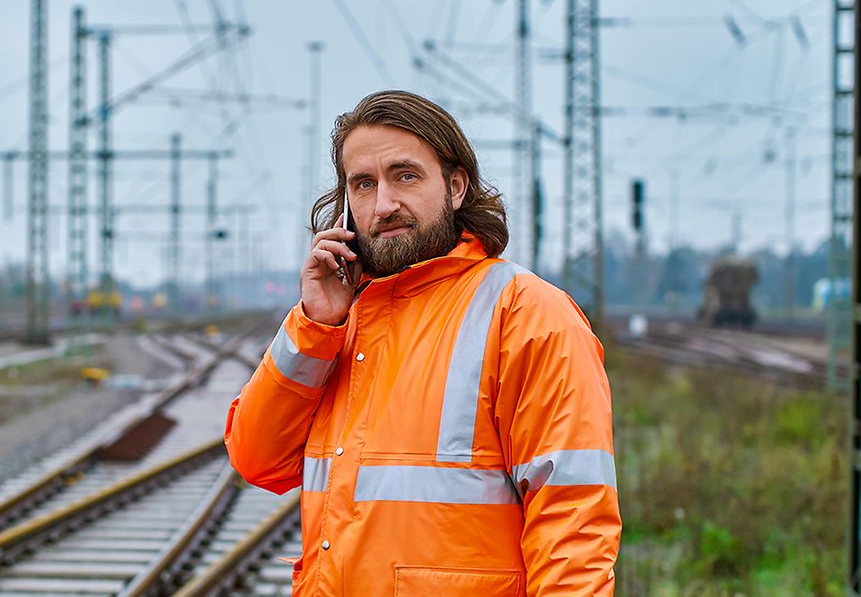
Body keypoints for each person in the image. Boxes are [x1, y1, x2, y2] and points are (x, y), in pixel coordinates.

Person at [224, 90, 620, 596]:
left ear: (456, 187)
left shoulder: (526, 313)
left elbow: (574, 521)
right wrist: (314, 327)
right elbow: (258, 460)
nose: (383, 205)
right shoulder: (341, 325)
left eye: (405, 175)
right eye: (363, 185)